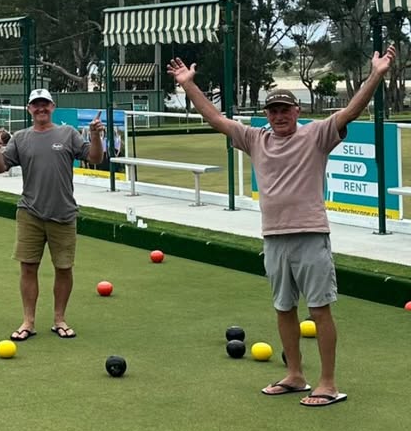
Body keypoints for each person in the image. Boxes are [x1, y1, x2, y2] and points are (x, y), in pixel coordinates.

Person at [167, 46, 396, 407]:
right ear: (267, 115)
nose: (279, 116)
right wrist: (188, 85)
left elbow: (351, 109)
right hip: (273, 238)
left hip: (310, 234)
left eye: (284, 110)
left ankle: (328, 383)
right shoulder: (256, 139)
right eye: (273, 111)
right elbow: (217, 120)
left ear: (297, 111)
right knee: (283, 308)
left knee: (319, 310)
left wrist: (377, 74)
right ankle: (295, 375)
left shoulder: (316, 135)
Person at [0, 87, 104, 342]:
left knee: (63, 268)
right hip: (30, 212)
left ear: (53, 106)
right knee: (28, 267)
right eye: (35, 104)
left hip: (63, 213)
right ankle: (28, 321)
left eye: (45, 104)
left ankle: (59, 319)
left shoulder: (67, 133)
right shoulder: (21, 137)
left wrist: (95, 136)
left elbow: (95, 158)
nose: (40, 108)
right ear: (29, 109)